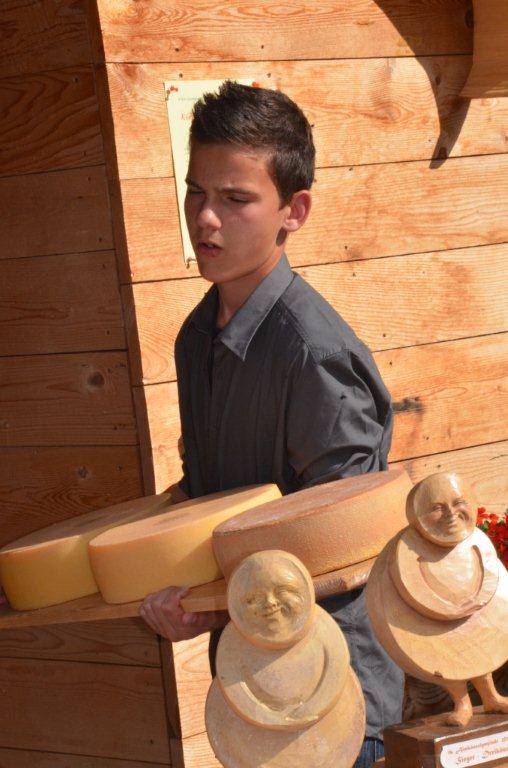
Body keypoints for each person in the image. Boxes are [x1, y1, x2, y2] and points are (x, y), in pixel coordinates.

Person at [139, 81, 403, 767]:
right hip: (253, 698)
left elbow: (344, 550)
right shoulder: (196, 336)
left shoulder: (315, 354)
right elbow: (211, 502)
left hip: (337, 708)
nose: (206, 218)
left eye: (236, 198)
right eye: (196, 192)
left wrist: (213, 603)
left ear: (295, 210)